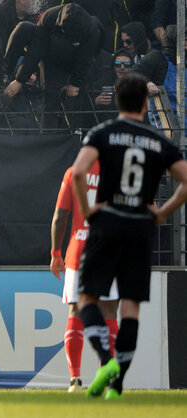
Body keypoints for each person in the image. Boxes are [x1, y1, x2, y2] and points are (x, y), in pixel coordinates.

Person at [71, 72, 187, 399]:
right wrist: (162, 213)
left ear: (119, 100)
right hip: (140, 226)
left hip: (107, 222)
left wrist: (89, 209)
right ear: (146, 102)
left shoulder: (103, 133)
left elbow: (79, 171)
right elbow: (186, 181)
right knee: (131, 307)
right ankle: (117, 385)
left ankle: (106, 361)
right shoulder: (160, 142)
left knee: (87, 298)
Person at [50, 160, 120, 392]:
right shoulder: (120, 171)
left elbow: (60, 216)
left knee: (75, 311)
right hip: (110, 249)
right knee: (109, 312)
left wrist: (55, 253)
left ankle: (75, 381)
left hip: (79, 248)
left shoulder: (74, 172)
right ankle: (107, 377)